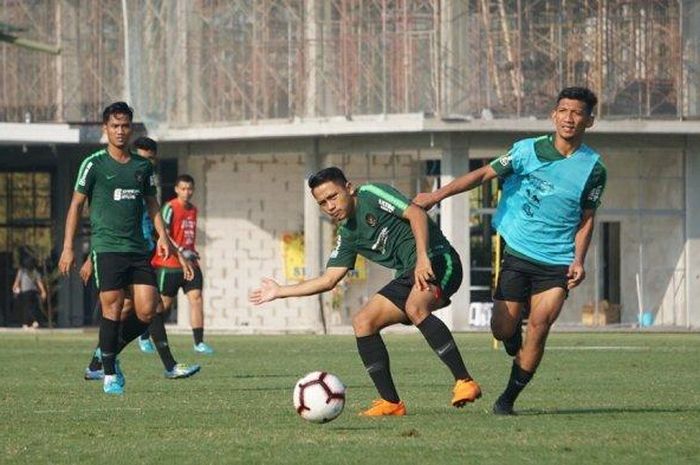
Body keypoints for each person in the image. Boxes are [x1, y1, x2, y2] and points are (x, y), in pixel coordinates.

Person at [413, 86, 607, 415]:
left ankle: (507, 400)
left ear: (590, 120)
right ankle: (511, 342)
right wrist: (436, 196)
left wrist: (578, 259)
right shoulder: (525, 151)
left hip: (557, 261)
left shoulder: (594, 168)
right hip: (517, 251)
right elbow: (483, 174)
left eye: (577, 113)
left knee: (540, 326)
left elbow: (587, 218)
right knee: (502, 329)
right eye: (563, 111)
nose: (569, 118)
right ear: (553, 115)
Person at [250, 167, 481, 416]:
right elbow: (329, 280)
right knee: (363, 321)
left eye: (333, 196)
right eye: (323, 202)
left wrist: (423, 258)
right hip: (408, 274)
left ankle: (465, 381)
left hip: (439, 259)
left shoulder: (371, 193)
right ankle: (391, 403)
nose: (330, 206)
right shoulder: (347, 234)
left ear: (349, 188)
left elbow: (416, 214)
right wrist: (280, 291)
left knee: (415, 307)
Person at [59, 102, 174, 395]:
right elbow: (75, 205)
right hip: (107, 247)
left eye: (125, 126)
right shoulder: (93, 164)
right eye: (114, 126)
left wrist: (162, 237)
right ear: (105, 129)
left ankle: (105, 354)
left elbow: (152, 205)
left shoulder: (142, 166)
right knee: (111, 307)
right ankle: (109, 373)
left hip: (138, 248)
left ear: (131, 128)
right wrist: (68, 248)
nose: (120, 131)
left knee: (148, 309)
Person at [82, 136, 201, 381]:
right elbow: (104, 220)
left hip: (141, 252)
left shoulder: (145, 179)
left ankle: (99, 361)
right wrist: (89, 256)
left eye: (150, 159)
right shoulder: (111, 173)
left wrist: (171, 247)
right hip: (117, 253)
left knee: (135, 309)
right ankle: (168, 365)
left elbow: (156, 220)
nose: (144, 163)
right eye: (142, 157)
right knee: (151, 308)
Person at [151, 174, 213, 354]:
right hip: (170, 264)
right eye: (183, 189)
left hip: (191, 263)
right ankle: (146, 334)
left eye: (190, 189)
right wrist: (179, 251)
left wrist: (191, 251)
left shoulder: (193, 210)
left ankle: (199, 342)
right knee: (164, 305)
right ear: (177, 189)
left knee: (197, 299)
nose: (187, 192)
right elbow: (164, 233)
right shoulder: (170, 207)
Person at [12, 254, 47, 329]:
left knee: (29, 307)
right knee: (28, 307)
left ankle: (31, 322)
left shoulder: (31, 272)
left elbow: (38, 282)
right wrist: (15, 287)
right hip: (28, 291)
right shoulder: (23, 271)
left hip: (30, 291)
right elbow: (18, 280)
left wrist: (43, 291)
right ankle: (28, 322)